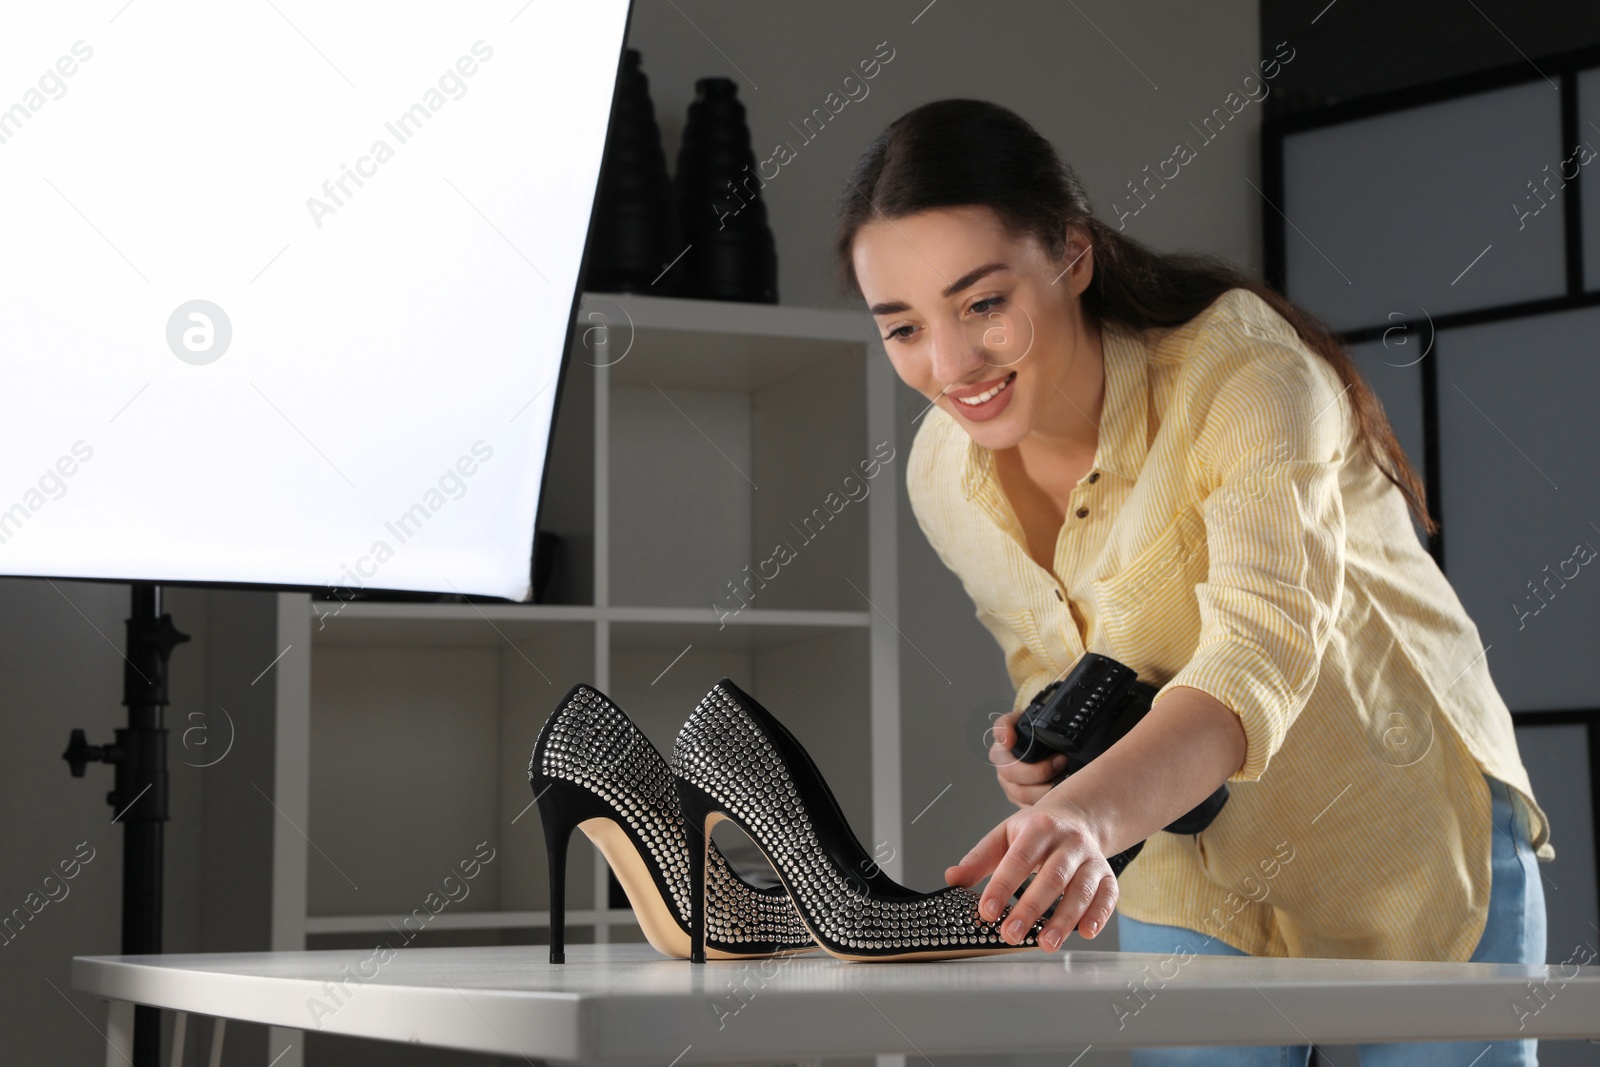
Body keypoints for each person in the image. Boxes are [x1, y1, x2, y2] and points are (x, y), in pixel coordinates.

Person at [834, 98, 1553, 1066]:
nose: (951, 364)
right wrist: (1043, 762)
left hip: (1393, 827)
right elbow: (1058, 659)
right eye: (904, 328)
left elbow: (1254, 650)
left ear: (1071, 257)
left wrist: (1084, 812)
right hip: (1188, 855)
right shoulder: (939, 473)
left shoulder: (1243, 373)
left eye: (983, 304)